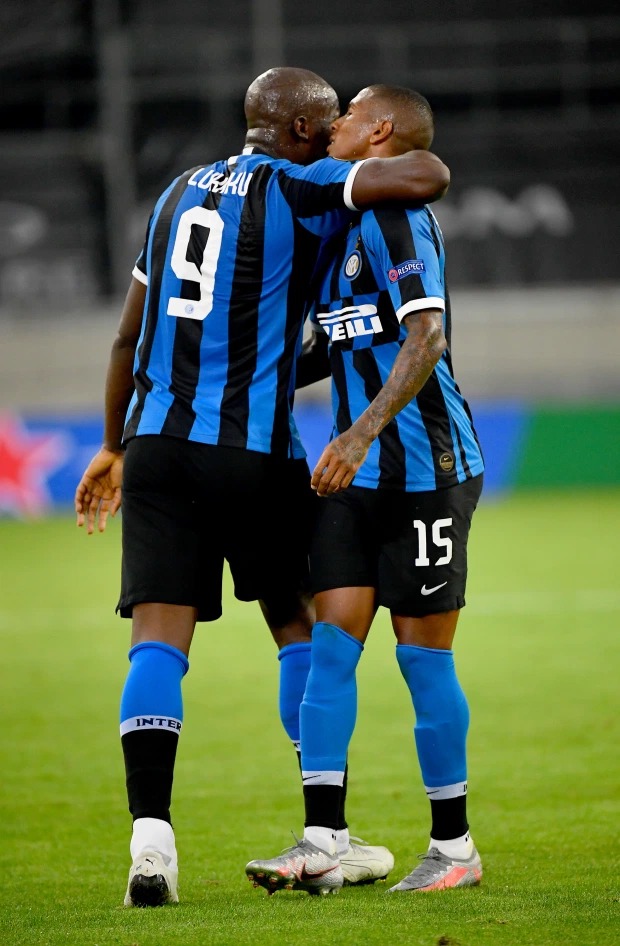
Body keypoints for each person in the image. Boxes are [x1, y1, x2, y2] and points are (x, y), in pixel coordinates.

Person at [74, 67, 450, 907]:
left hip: (156, 446)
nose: (339, 129)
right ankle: (328, 835)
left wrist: (110, 446)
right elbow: (425, 174)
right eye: (332, 119)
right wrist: (380, 149)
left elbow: (127, 338)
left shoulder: (174, 193)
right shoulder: (296, 181)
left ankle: (150, 844)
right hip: (252, 450)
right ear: (305, 132)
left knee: (156, 643)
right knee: (298, 626)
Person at [245, 84, 484, 897]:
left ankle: (454, 848)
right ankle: (324, 840)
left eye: (348, 113)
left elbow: (427, 335)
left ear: (379, 130)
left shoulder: (395, 218)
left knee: (421, 658)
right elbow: (333, 346)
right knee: (330, 647)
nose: (335, 123)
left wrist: (357, 434)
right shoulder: (341, 223)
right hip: (356, 480)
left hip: (427, 472)